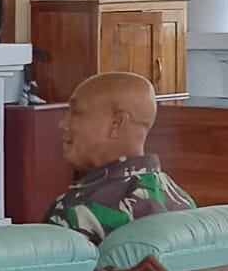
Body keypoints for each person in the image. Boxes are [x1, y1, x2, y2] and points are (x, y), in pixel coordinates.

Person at [43, 71, 195, 243]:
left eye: (76, 112)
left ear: (116, 123)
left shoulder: (76, 211)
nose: (63, 124)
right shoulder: (183, 202)